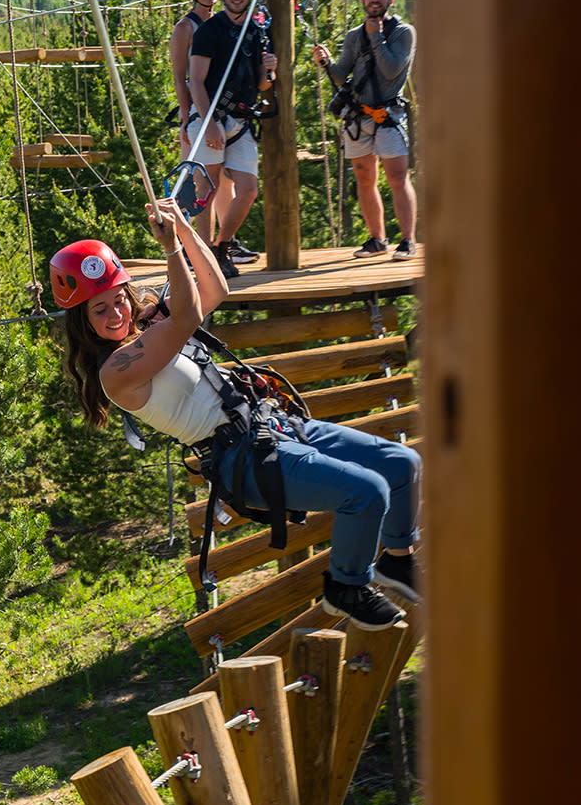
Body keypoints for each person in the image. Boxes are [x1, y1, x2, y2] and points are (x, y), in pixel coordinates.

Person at [49, 199, 423, 629]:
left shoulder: (151, 324)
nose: (117, 313)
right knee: (367, 492)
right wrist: (171, 250)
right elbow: (187, 315)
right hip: (243, 459)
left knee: (403, 464)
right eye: (101, 309)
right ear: (82, 321)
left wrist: (185, 231)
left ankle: (398, 561)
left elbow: (214, 292)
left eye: (119, 300)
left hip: (271, 425)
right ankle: (346, 587)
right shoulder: (117, 372)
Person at [313, 0, 418, 260]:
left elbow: (390, 70)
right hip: (359, 116)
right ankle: (377, 239)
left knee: (397, 177)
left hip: (389, 115)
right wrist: (327, 64)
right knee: (364, 177)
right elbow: (341, 74)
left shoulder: (403, 33)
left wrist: (375, 37)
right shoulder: (353, 36)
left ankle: (408, 241)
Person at [187, 0, 276, 279]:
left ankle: (222, 247)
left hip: (239, 122)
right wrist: (207, 123)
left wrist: (270, 68)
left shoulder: (256, 30)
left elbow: (263, 84)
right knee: (206, 191)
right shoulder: (210, 31)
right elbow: (195, 79)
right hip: (211, 116)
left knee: (248, 189)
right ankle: (202, 256)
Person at [169, 0, 258, 267]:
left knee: (224, 184)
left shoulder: (226, 23)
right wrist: (187, 117)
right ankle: (199, 249)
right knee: (201, 184)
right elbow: (182, 76)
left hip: (227, 114)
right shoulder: (186, 28)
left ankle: (223, 243)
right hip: (201, 114)